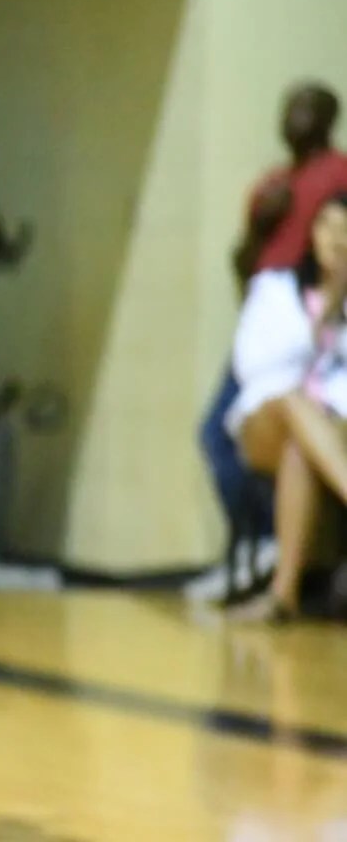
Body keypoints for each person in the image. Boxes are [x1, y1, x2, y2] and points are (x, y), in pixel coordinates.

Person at [187, 81, 347, 602]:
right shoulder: (272, 184)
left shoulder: (338, 173)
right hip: (275, 325)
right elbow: (244, 262)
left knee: (298, 433)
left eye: (307, 110)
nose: (294, 118)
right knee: (218, 435)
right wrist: (262, 223)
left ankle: (285, 568)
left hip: (321, 335)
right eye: (289, 109)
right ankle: (260, 542)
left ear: (327, 119)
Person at [224, 192, 347, 623]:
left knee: (302, 447)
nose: (335, 239)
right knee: (295, 405)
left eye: (344, 230)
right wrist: (322, 318)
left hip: (327, 433)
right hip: (265, 419)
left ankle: (283, 595)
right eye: (326, 227)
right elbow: (255, 366)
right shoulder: (274, 289)